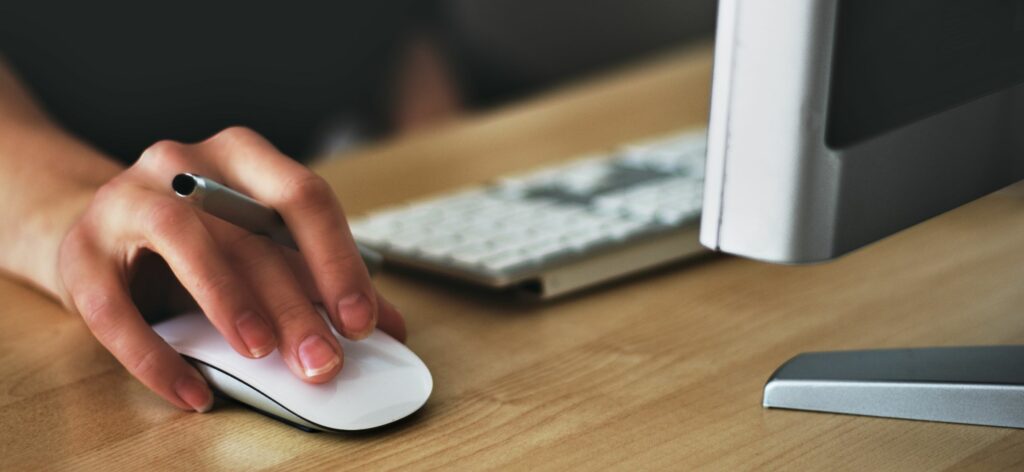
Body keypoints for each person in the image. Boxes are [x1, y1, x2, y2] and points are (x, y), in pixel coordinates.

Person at [0, 1, 715, 414]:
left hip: (330, 203)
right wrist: (73, 216)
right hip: (100, 187)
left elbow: (402, 37)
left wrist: (461, 202)